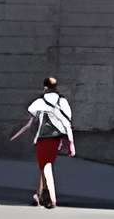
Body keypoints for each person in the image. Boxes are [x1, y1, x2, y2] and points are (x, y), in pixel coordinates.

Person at [9, 76, 78, 209]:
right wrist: (71, 143)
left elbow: (28, 123)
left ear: (45, 87)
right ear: (56, 87)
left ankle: (52, 197)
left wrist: (14, 135)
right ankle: (38, 195)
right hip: (57, 138)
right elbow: (68, 123)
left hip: (43, 138)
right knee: (45, 164)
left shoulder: (39, 102)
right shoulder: (63, 101)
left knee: (46, 166)